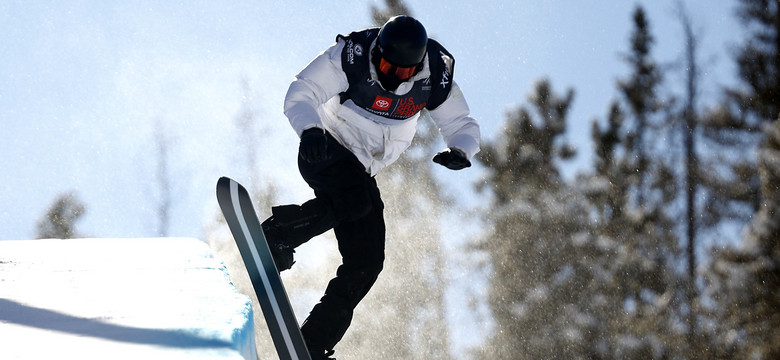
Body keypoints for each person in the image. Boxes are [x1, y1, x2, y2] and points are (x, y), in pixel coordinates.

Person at [261, 15, 480, 360]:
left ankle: (313, 343)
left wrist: (461, 149)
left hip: (361, 171)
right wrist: (310, 130)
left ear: (418, 66)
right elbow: (301, 91)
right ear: (377, 51)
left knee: (367, 261)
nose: (394, 78)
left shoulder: (435, 75)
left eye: (404, 72)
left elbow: (460, 123)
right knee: (356, 200)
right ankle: (278, 234)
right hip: (324, 147)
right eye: (387, 66)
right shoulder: (351, 56)